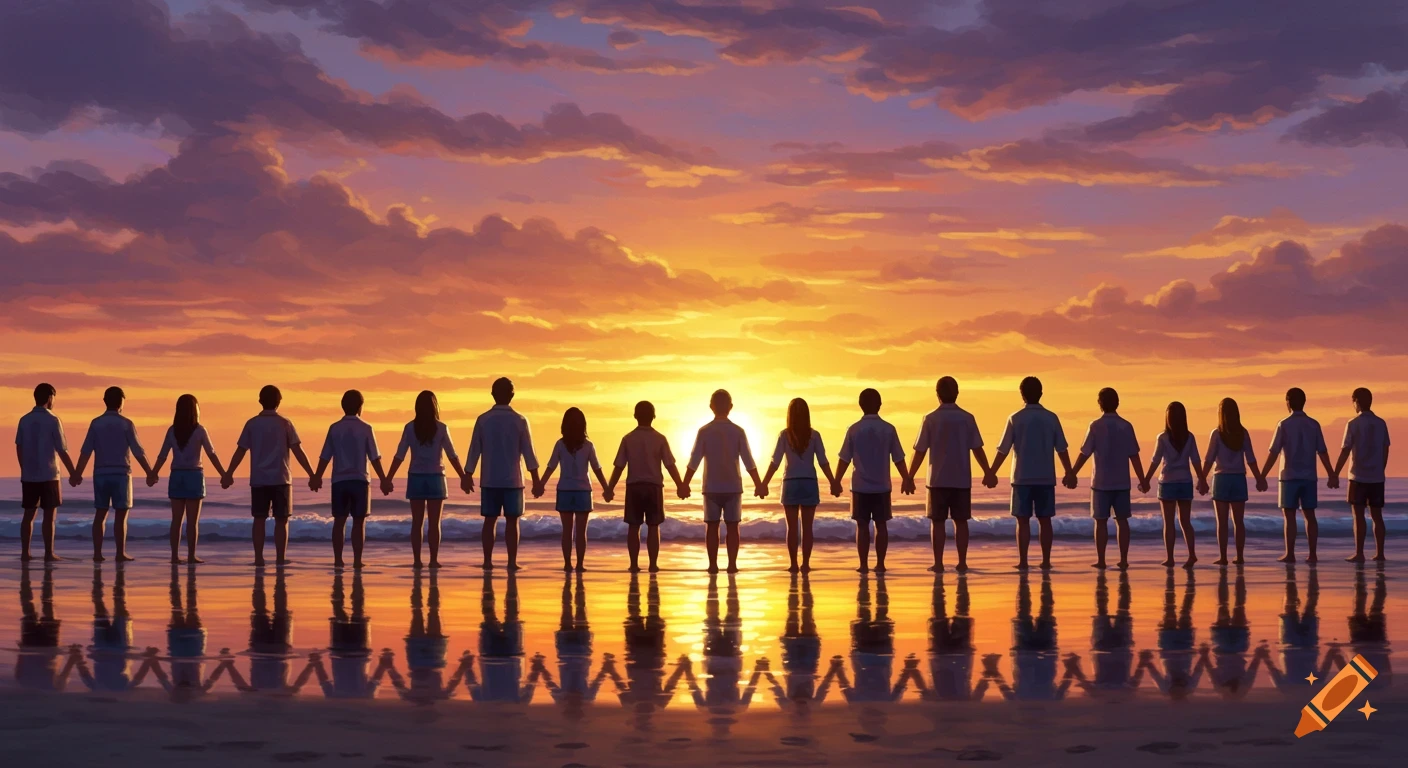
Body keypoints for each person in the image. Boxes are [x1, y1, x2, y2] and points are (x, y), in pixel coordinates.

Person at [223, 385, 317, 567]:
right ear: (279, 401)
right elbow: (297, 450)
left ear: (260, 401)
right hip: (281, 479)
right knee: (282, 521)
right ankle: (280, 558)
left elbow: (240, 450)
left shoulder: (252, 424)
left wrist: (229, 473)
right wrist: (311, 474)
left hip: (259, 480)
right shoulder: (285, 423)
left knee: (259, 520)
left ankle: (259, 558)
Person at [986, 377, 1074, 570]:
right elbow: (1061, 448)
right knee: (1045, 520)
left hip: (1021, 477)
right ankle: (1046, 561)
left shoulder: (1015, 418)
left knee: (1022, 520)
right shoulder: (1051, 418)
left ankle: (1023, 561)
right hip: (1045, 477)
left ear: (1022, 394)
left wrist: (992, 472)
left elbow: (1003, 449)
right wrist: (1069, 472)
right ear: (1041, 393)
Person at [906, 377, 991, 573]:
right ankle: (962, 562)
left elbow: (920, 451)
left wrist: (909, 476)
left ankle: (938, 563)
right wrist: (987, 471)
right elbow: (977, 448)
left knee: (937, 522)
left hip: (937, 480)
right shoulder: (967, 418)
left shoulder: (930, 418)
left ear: (937, 394)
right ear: (957, 393)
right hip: (961, 479)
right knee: (961, 522)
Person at [681, 390, 765, 574]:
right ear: (730, 407)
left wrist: (684, 484)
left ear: (711, 406)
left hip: (711, 487)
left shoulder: (704, 431)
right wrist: (759, 484)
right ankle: (732, 565)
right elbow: (748, 461)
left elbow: (694, 460)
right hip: (733, 487)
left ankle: (713, 565)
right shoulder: (738, 431)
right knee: (733, 526)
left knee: (712, 526)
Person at [463, 377, 541, 571]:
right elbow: (529, 452)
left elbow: (474, 450)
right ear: (512, 395)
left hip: (490, 478)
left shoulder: (483, 419)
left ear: (492, 394)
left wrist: (468, 474)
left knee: (489, 520)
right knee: (512, 521)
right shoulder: (520, 420)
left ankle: (487, 561)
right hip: (513, 480)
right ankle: (511, 562)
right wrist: (536, 479)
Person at [72, 387, 155, 563]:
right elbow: (138, 451)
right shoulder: (126, 424)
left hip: (100, 474)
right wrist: (149, 472)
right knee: (121, 516)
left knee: (100, 514)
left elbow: (86, 451)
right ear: (121, 402)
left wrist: (77, 473)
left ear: (105, 401)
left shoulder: (96, 423)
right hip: (121, 473)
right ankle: (120, 553)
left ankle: (97, 553)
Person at [385, 390, 465, 568]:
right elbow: (452, 455)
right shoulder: (441, 428)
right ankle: (433, 560)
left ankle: (417, 560)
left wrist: (388, 478)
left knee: (417, 523)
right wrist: (463, 477)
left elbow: (399, 455)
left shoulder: (410, 428)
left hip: (416, 477)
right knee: (434, 523)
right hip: (436, 477)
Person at [311, 390, 390, 569]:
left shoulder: (334, 428)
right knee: (359, 522)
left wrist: (317, 476)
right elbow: (374, 457)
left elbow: (325, 456)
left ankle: (338, 560)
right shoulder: (366, 428)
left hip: (339, 481)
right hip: (360, 480)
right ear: (361, 407)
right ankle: (357, 560)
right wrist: (384, 479)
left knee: (339, 521)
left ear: (343, 406)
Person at [1067, 388, 1144, 570]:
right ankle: (1123, 559)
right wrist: (1143, 479)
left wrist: (1073, 472)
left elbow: (1085, 453)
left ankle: (1101, 560)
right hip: (1122, 482)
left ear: (1100, 403)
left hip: (1100, 482)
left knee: (1100, 522)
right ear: (1117, 403)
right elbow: (1134, 455)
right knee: (1122, 521)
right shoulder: (1126, 426)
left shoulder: (1095, 426)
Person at [606, 401, 686, 573]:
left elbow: (619, 466)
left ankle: (634, 564)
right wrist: (680, 485)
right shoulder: (660, 438)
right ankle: (653, 564)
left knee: (633, 527)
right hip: (653, 487)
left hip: (634, 487)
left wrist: (610, 488)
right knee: (653, 526)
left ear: (635, 416)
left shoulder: (628, 438)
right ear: (654, 416)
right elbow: (670, 465)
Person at [758, 398, 837, 573]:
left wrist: (764, 483)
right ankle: (806, 564)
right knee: (807, 528)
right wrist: (833, 482)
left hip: (791, 483)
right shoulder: (814, 435)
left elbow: (775, 462)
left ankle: (793, 564)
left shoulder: (784, 435)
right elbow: (823, 461)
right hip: (809, 482)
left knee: (792, 528)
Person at [835, 388, 909, 573]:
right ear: (880, 405)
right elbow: (898, 458)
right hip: (882, 486)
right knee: (881, 525)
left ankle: (863, 565)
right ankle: (881, 564)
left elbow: (844, 459)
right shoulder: (888, 429)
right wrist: (906, 478)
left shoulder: (853, 429)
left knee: (862, 526)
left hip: (859, 486)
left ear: (860, 405)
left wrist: (836, 480)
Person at [1259, 388, 1336, 564]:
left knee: (1289, 516)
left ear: (1288, 402)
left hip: (1288, 476)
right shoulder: (1314, 424)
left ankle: (1290, 553)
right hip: (1309, 476)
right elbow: (1322, 452)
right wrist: (1331, 473)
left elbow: (1274, 452)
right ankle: (1312, 554)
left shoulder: (1284, 424)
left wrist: (1262, 475)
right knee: (1310, 515)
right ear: (1304, 402)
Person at [149, 394, 228, 564]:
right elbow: (211, 454)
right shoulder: (200, 430)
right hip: (194, 475)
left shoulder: (172, 430)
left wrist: (153, 473)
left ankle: (174, 556)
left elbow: (162, 455)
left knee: (176, 520)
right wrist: (223, 474)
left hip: (177, 475)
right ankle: (191, 555)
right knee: (192, 522)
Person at [534, 407, 612, 572]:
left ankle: (568, 564)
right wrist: (606, 488)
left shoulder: (560, 444)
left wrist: (540, 484)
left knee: (567, 531)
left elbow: (551, 467)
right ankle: (580, 564)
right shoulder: (588, 446)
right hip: (583, 491)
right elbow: (597, 469)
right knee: (581, 532)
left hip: (565, 490)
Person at [1199, 398, 1266, 565]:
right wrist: (1259, 478)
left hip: (1221, 479)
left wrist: (1202, 479)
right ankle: (1240, 556)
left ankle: (1223, 557)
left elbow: (1209, 459)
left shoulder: (1217, 434)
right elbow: (1251, 459)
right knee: (1239, 521)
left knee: (1222, 522)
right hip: (1238, 479)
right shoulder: (1243, 433)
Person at [16, 383, 77, 561]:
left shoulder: (24, 420)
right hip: (49, 474)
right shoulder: (53, 420)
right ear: (50, 398)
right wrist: (73, 472)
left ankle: (25, 553)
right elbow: (62, 450)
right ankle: (49, 553)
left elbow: (19, 447)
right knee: (49, 515)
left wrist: (23, 467)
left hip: (29, 474)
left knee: (28, 514)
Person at [1139, 402, 1203, 569]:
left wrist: (1146, 479)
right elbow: (1196, 460)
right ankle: (1191, 554)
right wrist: (1202, 479)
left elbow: (1155, 460)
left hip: (1167, 482)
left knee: (1169, 523)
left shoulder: (1163, 438)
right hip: (1185, 482)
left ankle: (1170, 558)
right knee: (1185, 521)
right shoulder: (1189, 437)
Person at [1333, 388, 1390, 562]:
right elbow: (1385, 449)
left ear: (1356, 401)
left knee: (1358, 516)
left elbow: (1345, 450)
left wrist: (1335, 473)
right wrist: (1381, 469)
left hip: (1357, 476)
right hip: (1376, 477)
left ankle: (1359, 553)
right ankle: (1380, 553)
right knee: (1377, 516)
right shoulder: (1381, 423)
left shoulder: (1353, 423)